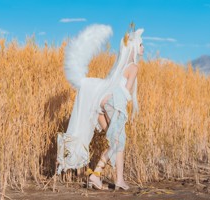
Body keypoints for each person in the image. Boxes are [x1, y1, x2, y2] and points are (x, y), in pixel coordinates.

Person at [56, 23, 144, 191]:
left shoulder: (120, 66)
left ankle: (118, 179)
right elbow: (125, 91)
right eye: (141, 44)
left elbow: (110, 86)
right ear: (133, 47)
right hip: (113, 103)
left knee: (117, 142)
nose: (143, 48)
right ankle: (96, 175)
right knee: (118, 142)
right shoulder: (133, 67)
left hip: (100, 102)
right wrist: (122, 108)